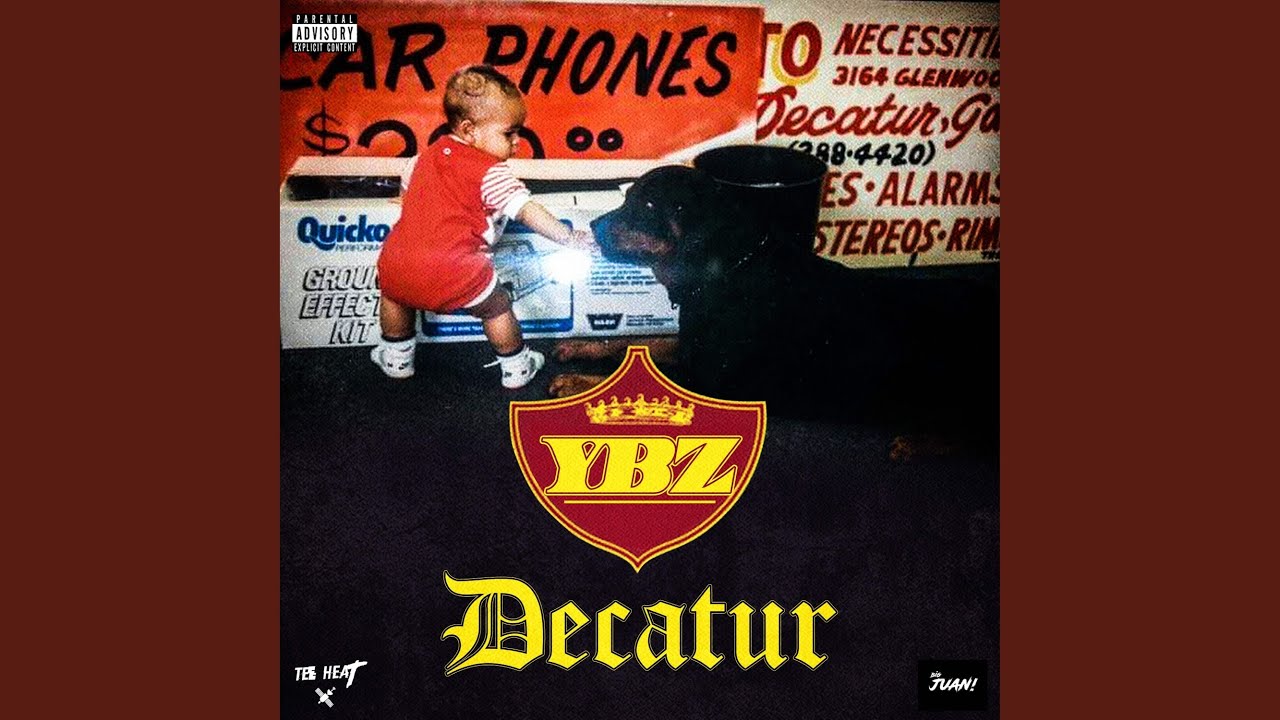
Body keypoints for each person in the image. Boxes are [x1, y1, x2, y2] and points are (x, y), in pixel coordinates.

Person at [371, 65, 594, 387]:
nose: (517, 142)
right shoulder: (491, 173)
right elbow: (527, 211)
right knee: (496, 308)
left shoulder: (420, 159)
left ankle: (396, 359)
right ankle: (516, 366)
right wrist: (568, 236)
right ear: (469, 130)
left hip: (398, 260)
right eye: (509, 134)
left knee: (394, 297)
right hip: (456, 268)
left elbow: (406, 202)